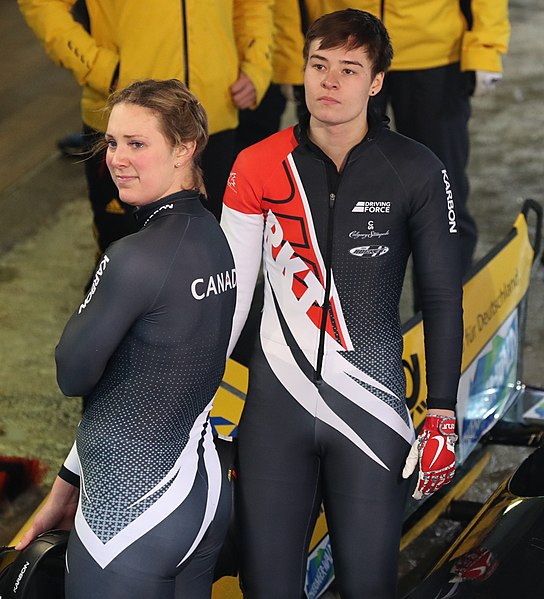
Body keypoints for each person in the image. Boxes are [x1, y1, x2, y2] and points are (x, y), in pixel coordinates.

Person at [221, 9, 463, 598]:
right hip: (274, 413)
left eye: (349, 69)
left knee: (369, 587)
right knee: (267, 590)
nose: (329, 81)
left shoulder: (417, 169)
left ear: (375, 83)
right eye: (318, 65)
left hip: (372, 413)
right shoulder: (257, 164)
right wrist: (192, 398)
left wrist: (443, 411)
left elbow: (439, 294)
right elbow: (226, 300)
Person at [15, 79, 237, 599]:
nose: (117, 158)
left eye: (138, 144)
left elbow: (72, 373)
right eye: (112, 142)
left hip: (129, 512)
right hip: (201, 492)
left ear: (185, 149)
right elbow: (149, 378)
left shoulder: (135, 257)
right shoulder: (213, 237)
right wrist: (69, 482)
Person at [17, 0, 274, 252]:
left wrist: (256, 62)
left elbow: (253, 5)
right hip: (126, 125)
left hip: (213, 118)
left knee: (210, 251)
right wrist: (99, 67)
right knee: (121, 252)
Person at [304, 0, 510, 282]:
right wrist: (295, 58)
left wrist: (485, 46)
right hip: (343, 52)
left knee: (442, 195)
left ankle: (446, 311)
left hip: (434, 53)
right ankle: (339, 309)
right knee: (339, 196)